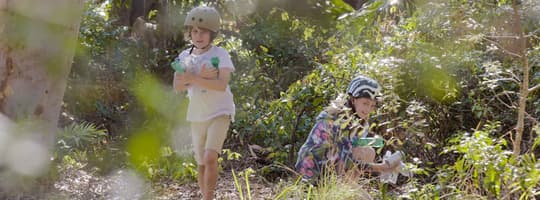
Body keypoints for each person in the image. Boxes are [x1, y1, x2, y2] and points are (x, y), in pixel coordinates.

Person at [172, 6, 235, 200]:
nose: (198, 35)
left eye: (204, 31)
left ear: (212, 33)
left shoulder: (220, 54)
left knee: (209, 157)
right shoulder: (185, 56)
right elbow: (177, 86)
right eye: (195, 31)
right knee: (200, 162)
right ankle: (204, 196)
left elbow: (221, 84)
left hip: (220, 111)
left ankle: (209, 198)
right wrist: (198, 76)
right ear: (190, 32)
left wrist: (193, 78)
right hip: (197, 114)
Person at [295, 75, 401, 183]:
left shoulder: (356, 119)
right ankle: (345, 188)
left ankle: (347, 186)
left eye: (372, 106)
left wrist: (379, 143)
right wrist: (383, 167)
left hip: (330, 166)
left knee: (369, 150)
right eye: (365, 103)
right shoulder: (337, 120)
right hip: (312, 173)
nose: (368, 109)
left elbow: (351, 143)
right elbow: (347, 160)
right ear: (353, 100)